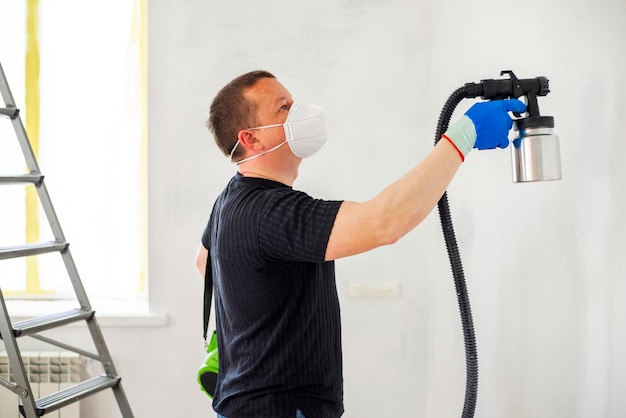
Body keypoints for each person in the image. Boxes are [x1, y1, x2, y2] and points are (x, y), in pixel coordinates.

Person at [195, 70, 526, 418]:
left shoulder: (231, 199)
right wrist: (463, 135)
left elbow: (205, 261)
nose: (299, 112)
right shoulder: (268, 212)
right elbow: (384, 222)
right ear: (251, 139)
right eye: (283, 108)